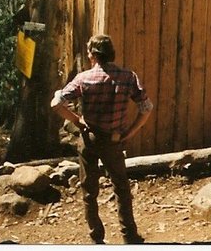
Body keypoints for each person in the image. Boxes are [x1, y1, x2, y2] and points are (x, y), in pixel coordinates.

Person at [51, 34, 153, 244]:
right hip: (114, 141)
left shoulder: (83, 78)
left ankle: (96, 238)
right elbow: (146, 108)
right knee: (121, 188)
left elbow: (56, 103)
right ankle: (129, 236)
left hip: (89, 140)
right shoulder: (128, 77)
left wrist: (77, 120)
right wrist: (130, 132)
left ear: (93, 55)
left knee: (89, 190)